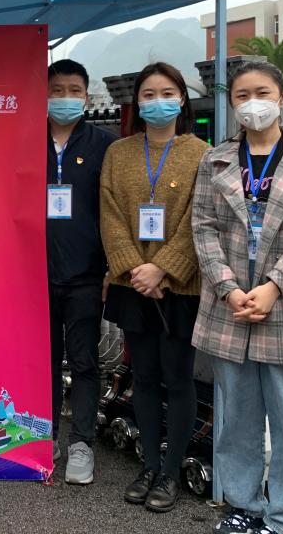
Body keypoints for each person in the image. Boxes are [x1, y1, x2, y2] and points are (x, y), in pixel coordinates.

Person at [191, 61, 283, 534]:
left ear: (282, 96)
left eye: (262, 93)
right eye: (242, 95)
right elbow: (203, 229)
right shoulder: (215, 160)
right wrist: (229, 288)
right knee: (237, 422)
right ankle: (243, 507)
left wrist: (274, 285)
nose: (253, 103)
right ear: (231, 103)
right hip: (230, 311)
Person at [99, 62, 208, 513]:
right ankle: (148, 464)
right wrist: (134, 269)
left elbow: (201, 219)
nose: (157, 101)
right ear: (137, 102)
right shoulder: (118, 152)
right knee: (142, 375)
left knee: (178, 378)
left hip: (179, 287)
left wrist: (162, 268)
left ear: (181, 100)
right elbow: (109, 215)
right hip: (133, 285)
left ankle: (171, 471)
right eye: (148, 94)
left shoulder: (203, 154)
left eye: (166, 93)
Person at [45, 59, 116, 484]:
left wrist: (110, 268)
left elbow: (114, 212)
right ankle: (47, 436)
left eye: (74, 91)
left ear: (86, 97)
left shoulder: (105, 145)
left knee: (85, 361)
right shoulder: (26, 140)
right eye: (57, 90)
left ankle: (82, 444)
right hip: (36, 274)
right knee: (45, 361)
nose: (65, 98)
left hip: (87, 274)